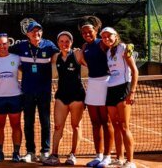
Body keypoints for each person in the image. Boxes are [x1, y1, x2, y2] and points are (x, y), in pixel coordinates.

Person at [9, 21, 58, 163]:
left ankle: (45, 151)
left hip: (44, 91)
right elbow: (4, 49)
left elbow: (59, 55)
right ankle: (30, 151)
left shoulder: (49, 45)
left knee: (45, 122)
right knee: (28, 122)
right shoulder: (21, 46)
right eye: (33, 31)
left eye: (39, 31)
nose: (36, 33)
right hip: (27, 91)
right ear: (27, 34)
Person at [75, 16, 114, 168]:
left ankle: (107, 156)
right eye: (84, 33)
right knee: (95, 122)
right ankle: (98, 155)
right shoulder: (85, 47)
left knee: (106, 122)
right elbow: (85, 62)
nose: (87, 34)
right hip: (92, 84)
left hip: (105, 82)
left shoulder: (103, 44)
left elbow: (116, 51)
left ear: (96, 31)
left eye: (89, 32)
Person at [43, 31, 85, 166]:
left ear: (71, 42)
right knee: (57, 126)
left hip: (77, 97)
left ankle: (73, 155)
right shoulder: (56, 57)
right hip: (61, 96)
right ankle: (54, 155)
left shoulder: (78, 55)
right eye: (61, 41)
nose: (64, 44)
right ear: (58, 43)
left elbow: (92, 65)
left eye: (67, 41)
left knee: (76, 126)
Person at [102, 27, 139, 168]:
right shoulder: (107, 53)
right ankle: (119, 158)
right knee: (115, 125)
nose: (106, 39)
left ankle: (130, 161)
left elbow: (134, 71)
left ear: (115, 35)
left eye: (109, 36)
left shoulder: (124, 48)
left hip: (124, 88)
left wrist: (132, 92)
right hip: (111, 90)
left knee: (124, 126)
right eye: (104, 37)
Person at [0, 33, 22, 163]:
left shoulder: (17, 58)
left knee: (16, 125)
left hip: (15, 97)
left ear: (8, 44)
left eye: (4, 44)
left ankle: (16, 153)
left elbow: (27, 72)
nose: (2, 46)